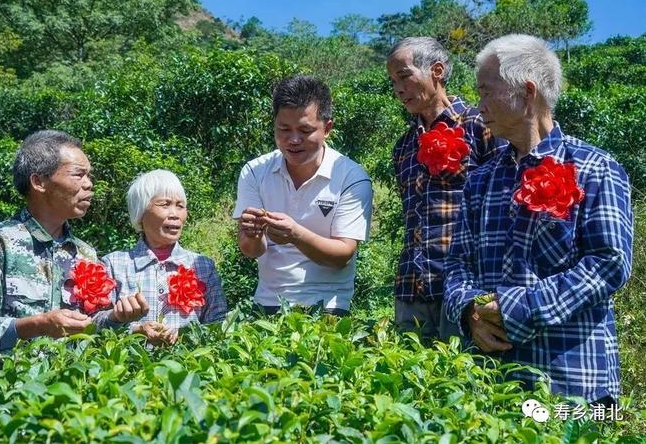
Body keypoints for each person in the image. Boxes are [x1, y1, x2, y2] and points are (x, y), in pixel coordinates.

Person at [443, 34, 633, 404]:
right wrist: (470, 313)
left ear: (527, 92)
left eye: (486, 92)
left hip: (572, 382)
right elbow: (457, 262)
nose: (478, 105)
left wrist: (516, 309)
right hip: (491, 381)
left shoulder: (595, 168)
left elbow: (609, 263)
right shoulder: (482, 178)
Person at [0, 130, 147, 377]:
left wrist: (117, 317)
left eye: (89, 175)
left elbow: (91, 327)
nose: (89, 184)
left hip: (66, 399)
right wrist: (35, 326)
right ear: (39, 182)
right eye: (78, 174)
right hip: (3, 400)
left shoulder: (85, 254)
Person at [387, 37, 505, 341]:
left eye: (404, 76)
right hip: (411, 288)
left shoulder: (480, 125)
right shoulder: (403, 146)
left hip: (464, 289)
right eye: (393, 81)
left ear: (437, 70)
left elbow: (504, 210)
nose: (398, 88)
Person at [234, 75, 373, 315]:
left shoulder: (351, 177)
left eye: (305, 130)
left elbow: (343, 255)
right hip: (268, 301)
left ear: (327, 128)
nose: (293, 140)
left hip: (328, 306)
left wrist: (296, 234)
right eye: (284, 129)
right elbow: (251, 250)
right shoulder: (255, 172)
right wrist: (252, 234)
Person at [98, 170, 227, 346]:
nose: (175, 214)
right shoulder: (114, 264)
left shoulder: (202, 266)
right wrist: (133, 329)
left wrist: (184, 337)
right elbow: (94, 324)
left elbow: (218, 324)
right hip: (129, 370)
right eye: (165, 204)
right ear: (141, 212)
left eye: (180, 206)